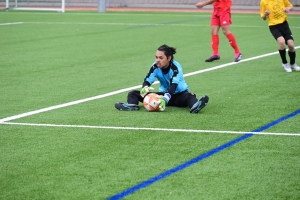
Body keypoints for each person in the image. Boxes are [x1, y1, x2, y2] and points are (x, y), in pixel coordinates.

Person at [114, 44, 209, 114]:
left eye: (160, 58)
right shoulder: (155, 66)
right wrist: (145, 87)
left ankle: (195, 106)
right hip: (161, 96)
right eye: (156, 57)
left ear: (169, 58)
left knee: (189, 96)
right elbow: (148, 79)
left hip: (178, 95)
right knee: (133, 93)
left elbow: (173, 86)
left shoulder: (176, 67)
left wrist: (166, 99)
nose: (157, 60)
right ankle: (132, 105)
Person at [260, 0, 300, 72]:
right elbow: (263, 17)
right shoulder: (263, 1)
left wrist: (288, 8)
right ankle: (285, 63)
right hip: (273, 26)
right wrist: (265, 14)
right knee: (281, 42)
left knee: (291, 45)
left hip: (284, 25)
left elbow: (291, 6)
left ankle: (292, 63)